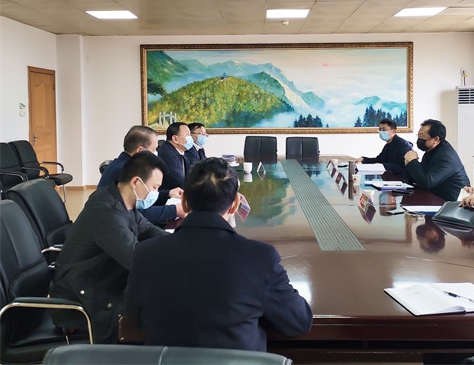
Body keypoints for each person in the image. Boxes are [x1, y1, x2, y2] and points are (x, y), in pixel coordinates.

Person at [125, 157, 313, 351]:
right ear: (235, 204)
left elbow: (134, 316)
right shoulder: (260, 258)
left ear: (184, 202)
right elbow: (298, 322)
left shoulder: (145, 254)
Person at [50, 152, 169, 343]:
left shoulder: (121, 201)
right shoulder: (106, 211)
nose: (155, 193)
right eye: (154, 187)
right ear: (136, 182)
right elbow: (136, 260)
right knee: (158, 315)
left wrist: (178, 242)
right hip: (83, 296)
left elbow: (147, 228)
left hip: (100, 279)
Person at [98, 125, 185, 223]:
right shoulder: (124, 170)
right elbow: (139, 214)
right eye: (154, 149)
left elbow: (143, 197)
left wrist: (168, 194)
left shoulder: (121, 163)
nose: (157, 153)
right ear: (141, 151)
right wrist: (175, 210)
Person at [404, 119, 469, 201]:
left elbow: (427, 183)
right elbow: (420, 176)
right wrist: (408, 163)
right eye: (419, 136)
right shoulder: (431, 150)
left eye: (422, 136)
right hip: (436, 197)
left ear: (436, 139)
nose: (419, 139)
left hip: (453, 203)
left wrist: (412, 161)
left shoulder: (446, 157)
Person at [158, 122, 193, 192]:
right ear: (175, 139)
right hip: (170, 194)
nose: (190, 138)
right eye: (187, 134)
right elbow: (178, 181)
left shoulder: (180, 151)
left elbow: (190, 173)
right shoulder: (166, 153)